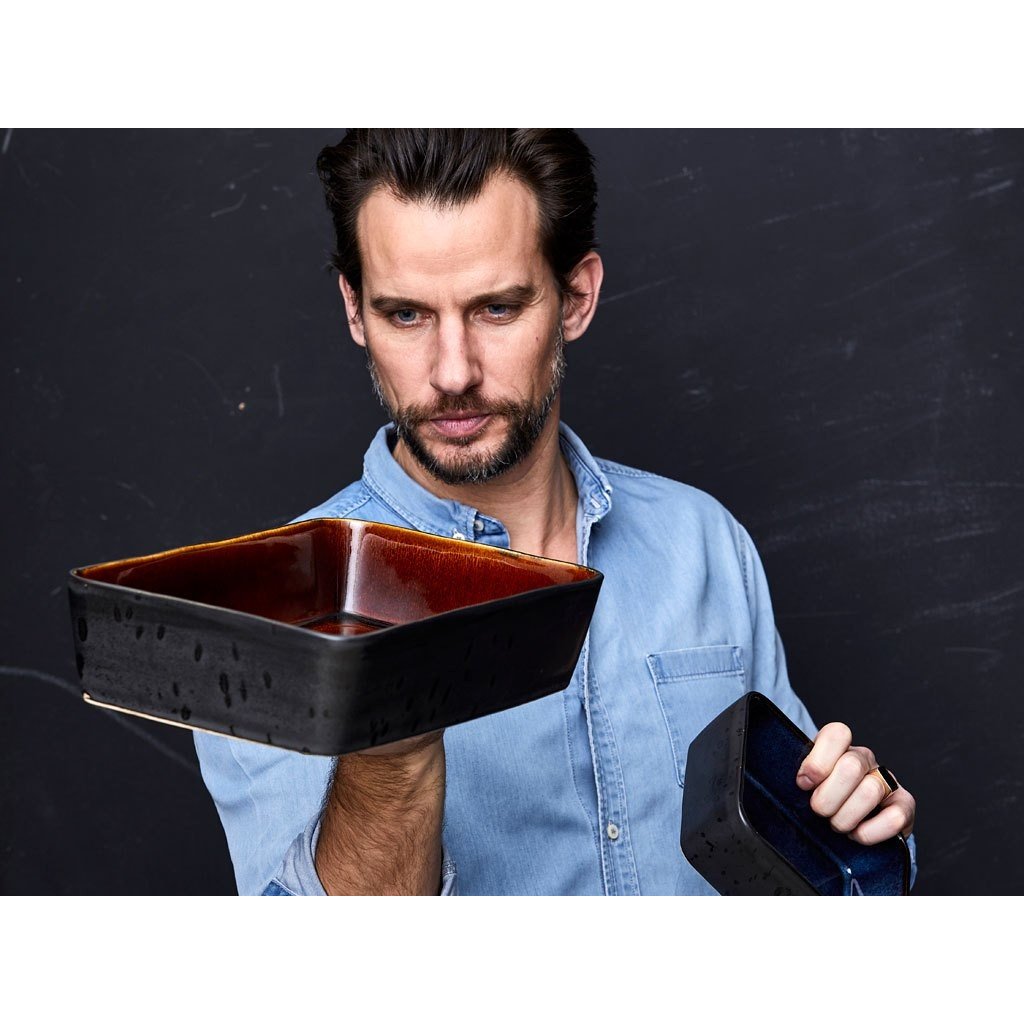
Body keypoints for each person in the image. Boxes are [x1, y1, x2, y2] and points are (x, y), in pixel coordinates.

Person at [194, 129, 917, 895]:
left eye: (497, 308)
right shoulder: (278, 611)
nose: (452, 373)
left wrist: (855, 829)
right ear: (354, 310)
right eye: (406, 315)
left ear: (576, 298)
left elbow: (796, 871)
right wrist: (386, 747)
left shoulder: (702, 542)